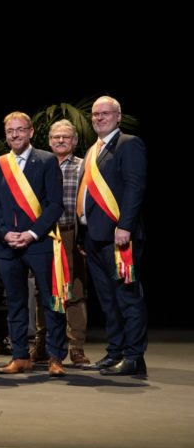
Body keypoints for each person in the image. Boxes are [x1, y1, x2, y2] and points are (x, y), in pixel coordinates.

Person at [0, 112, 68, 377]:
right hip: (7, 245)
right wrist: (4, 234)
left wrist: (32, 233)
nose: (15, 135)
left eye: (20, 130)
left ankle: (56, 357)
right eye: (10, 131)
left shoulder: (46, 160)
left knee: (51, 301)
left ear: (31, 132)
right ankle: (20, 356)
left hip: (39, 242)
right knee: (15, 302)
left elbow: (55, 205)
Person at [78, 96, 148, 376]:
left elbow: (135, 187)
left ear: (118, 116)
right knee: (107, 299)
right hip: (94, 237)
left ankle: (134, 356)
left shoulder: (128, 144)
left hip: (120, 237)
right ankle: (115, 351)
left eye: (105, 113)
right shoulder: (93, 150)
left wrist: (126, 225)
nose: (99, 118)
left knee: (127, 297)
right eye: (95, 114)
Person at [46, 120, 91, 366]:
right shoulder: (41, 164)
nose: (61, 141)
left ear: (74, 141)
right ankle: (43, 345)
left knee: (74, 291)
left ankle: (76, 347)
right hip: (46, 235)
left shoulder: (84, 166)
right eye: (56, 137)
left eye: (65, 137)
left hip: (72, 232)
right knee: (45, 290)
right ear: (50, 141)